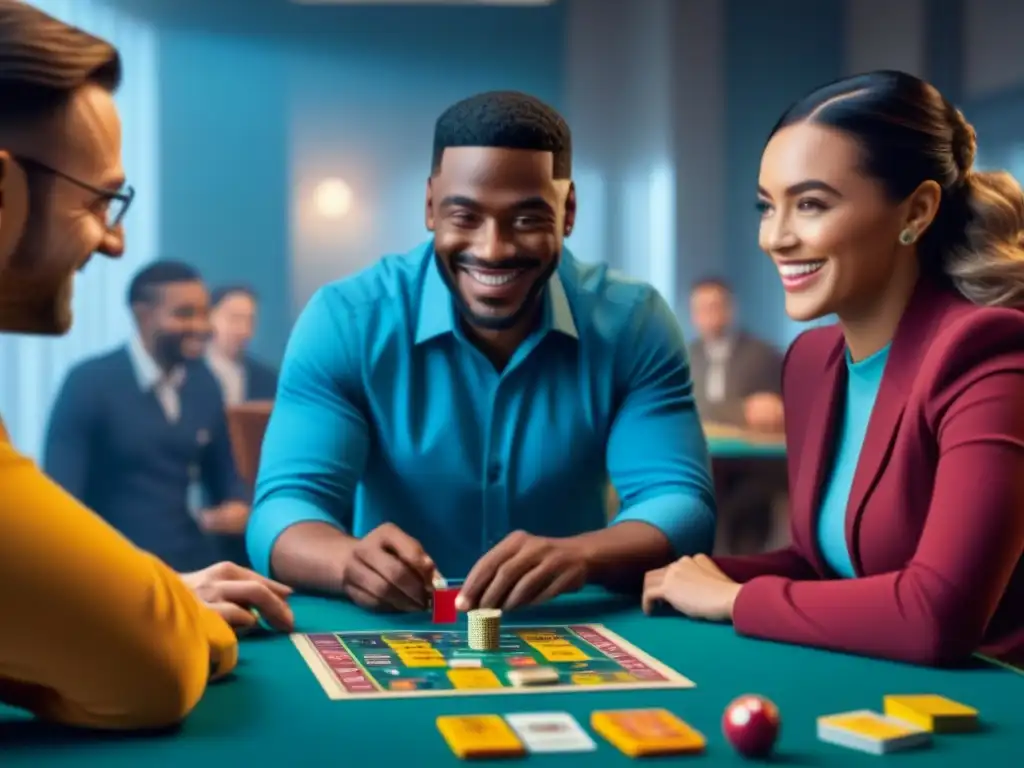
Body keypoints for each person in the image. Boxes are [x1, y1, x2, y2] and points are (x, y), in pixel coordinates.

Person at [247, 90, 716, 613]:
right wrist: (347, 561)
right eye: (465, 216)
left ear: (568, 212)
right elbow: (281, 509)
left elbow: (682, 504)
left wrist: (583, 556)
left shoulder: (634, 323)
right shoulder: (345, 320)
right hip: (395, 629)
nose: (492, 249)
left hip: (568, 622)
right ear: (430, 208)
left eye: (526, 218)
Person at [642, 70, 1024, 668]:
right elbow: (824, 566)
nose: (775, 237)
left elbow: (937, 614)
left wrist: (737, 600)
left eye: (811, 204)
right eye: (768, 207)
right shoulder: (812, 363)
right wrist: (639, 570)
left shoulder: (987, 353)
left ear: (918, 211)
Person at [0, 1, 290, 730]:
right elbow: (152, 668)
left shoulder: (200, 390)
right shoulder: (89, 383)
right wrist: (168, 616)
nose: (113, 242)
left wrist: (148, 590)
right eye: (100, 202)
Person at [44, 260, 252, 573]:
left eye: (204, 313)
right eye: (184, 314)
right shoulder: (89, 383)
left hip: (191, 561)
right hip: (114, 565)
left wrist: (236, 504)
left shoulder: (204, 383)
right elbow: (62, 500)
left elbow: (224, 475)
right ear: (143, 315)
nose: (201, 326)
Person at [687, 277, 784, 432]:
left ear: (730, 308)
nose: (708, 315)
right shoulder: (683, 359)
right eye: (701, 308)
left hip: (753, 447)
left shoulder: (763, 355)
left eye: (714, 306)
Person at [207, 284, 279, 404]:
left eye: (249, 320)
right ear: (209, 318)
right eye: (234, 318)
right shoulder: (187, 374)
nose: (242, 329)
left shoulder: (267, 379)